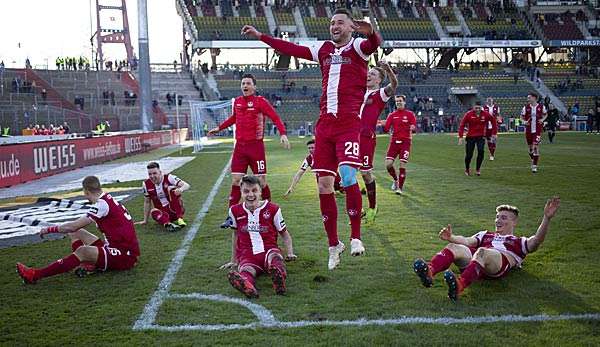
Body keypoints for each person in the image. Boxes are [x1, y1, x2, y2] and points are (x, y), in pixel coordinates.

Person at [241, 8, 382, 268]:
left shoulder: (359, 48)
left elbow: (375, 43)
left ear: (351, 27)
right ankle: (333, 245)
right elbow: (291, 48)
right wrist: (261, 36)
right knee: (323, 186)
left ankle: (355, 238)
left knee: (349, 176)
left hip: (349, 124)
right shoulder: (324, 49)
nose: (334, 26)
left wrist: (370, 30)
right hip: (325, 127)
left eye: (340, 22)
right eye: (332, 23)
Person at [413, 197, 560, 302]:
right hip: (476, 261)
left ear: (514, 222)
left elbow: (536, 241)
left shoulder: (518, 241)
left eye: (503, 218)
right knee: (454, 247)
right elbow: (467, 241)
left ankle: (459, 285)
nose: (498, 220)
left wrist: (546, 219)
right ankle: (430, 271)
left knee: (482, 251)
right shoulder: (485, 234)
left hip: (495, 265)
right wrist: (451, 238)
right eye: (497, 217)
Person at [16, 176, 140, 284]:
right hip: (118, 249)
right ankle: (87, 264)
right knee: (75, 232)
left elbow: (73, 225)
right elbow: (74, 228)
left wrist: (49, 229)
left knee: (82, 250)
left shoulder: (102, 205)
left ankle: (34, 275)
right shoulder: (107, 199)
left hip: (124, 255)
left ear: (86, 191)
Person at [208, 73, 290, 228]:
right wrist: (219, 128)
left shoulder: (261, 102)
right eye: (243, 83)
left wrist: (283, 134)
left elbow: (275, 117)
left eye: (248, 83)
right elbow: (234, 119)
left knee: (262, 182)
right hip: (240, 147)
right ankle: (231, 216)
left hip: (256, 147)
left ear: (254, 86)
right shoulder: (237, 102)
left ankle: (269, 212)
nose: (245, 86)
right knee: (236, 181)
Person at [220, 175, 296, 298]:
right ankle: (247, 285)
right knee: (246, 270)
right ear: (241, 193)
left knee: (275, 258)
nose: (250, 195)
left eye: (254, 190)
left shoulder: (273, 209)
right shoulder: (234, 211)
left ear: (260, 191)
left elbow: (284, 233)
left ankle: (279, 278)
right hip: (247, 255)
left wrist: (290, 253)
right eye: (246, 191)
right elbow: (235, 235)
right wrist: (233, 260)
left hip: (269, 250)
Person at [359, 61, 397, 222]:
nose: (368, 75)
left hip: (366, 137)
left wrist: (387, 69)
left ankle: (373, 207)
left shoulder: (380, 93)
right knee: (345, 170)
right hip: (350, 135)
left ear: (379, 80)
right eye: (368, 72)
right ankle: (356, 208)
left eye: (373, 74)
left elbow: (394, 85)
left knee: (366, 174)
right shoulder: (359, 91)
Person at [136, 162, 191, 232]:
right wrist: (145, 220)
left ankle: (180, 218)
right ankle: (168, 224)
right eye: (150, 174)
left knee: (171, 189)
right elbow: (147, 202)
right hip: (163, 214)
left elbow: (186, 185)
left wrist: (180, 189)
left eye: (154, 173)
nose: (152, 176)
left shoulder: (169, 177)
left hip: (174, 209)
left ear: (160, 172)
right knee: (153, 211)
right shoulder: (146, 184)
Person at [383, 95, 417, 195]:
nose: (398, 103)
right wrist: (383, 124)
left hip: (405, 142)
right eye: (397, 101)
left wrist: (412, 127)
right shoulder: (392, 115)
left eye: (400, 101)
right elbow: (386, 129)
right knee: (388, 164)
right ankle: (395, 179)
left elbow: (414, 126)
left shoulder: (410, 114)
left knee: (402, 164)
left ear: (404, 102)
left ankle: (400, 189)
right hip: (394, 142)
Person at [458, 101, 497, 176]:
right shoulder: (469, 114)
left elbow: (493, 121)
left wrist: (494, 133)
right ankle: (467, 169)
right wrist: (460, 137)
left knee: (481, 151)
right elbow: (462, 125)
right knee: (469, 154)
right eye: (476, 108)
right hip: (470, 137)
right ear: (473, 107)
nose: (477, 109)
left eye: (479, 108)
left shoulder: (485, 114)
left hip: (481, 136)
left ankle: (478, 169)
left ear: (481, 107)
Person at [520, 92, 547, 173]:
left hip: (537, 130)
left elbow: (545, 114)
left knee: (535, 147)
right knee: (530, 149)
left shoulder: (541, 107)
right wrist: (524, 121)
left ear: (534, 98)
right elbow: (521, 117)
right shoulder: (526, 107)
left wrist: (542, 120)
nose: (528, 99)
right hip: (528, 130)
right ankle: (533, 158)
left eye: (529, 97)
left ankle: (534, 166)